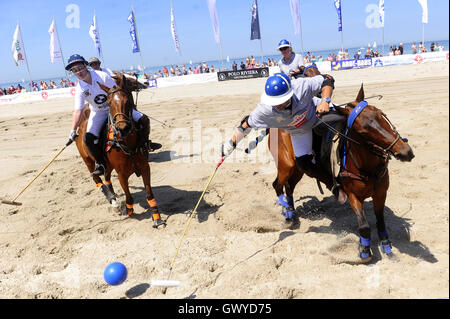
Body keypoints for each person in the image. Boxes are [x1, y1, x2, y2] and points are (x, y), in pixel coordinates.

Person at [221, 73, 348, 222]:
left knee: (350, 122)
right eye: (275, 102)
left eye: (281, 101)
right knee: (304, 163)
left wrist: (325, 100)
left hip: (318, 112)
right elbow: (245, 125)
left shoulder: (301, 87)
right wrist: (230, 145)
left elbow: (327, 79)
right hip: (299, 132)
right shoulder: (264, 110)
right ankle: (334, 187)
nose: (278, 105)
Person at [65, 54, 160, 177]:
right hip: (98, 112)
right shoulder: (79, 88)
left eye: (80, 68)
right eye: (75, 70)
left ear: (85, 66)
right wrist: (73, 130)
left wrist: (122, 107)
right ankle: (101, 164)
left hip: (115, 108)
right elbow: (77, 111)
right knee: (88, 138)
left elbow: (118, 92)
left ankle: (146, 144)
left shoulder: (102, 76)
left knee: (143, 119)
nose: (79, 72)